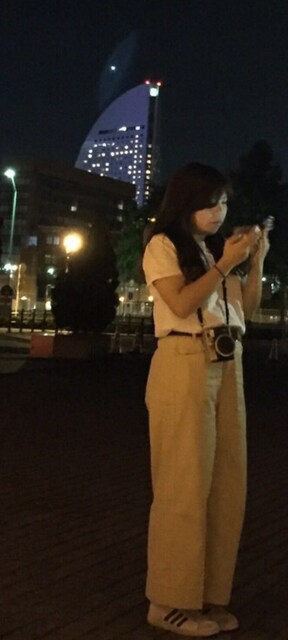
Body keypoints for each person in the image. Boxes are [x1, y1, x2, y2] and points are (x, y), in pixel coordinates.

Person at [142, 162, 270, 637]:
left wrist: (254, 262)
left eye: (224, 203)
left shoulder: (212, 251)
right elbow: (179, 303)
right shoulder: (163, 245)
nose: (220, 212)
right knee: (184, 484)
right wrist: (224, 264)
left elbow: (245, 311)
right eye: (210, 203)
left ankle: (206, 595)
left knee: (225, 485)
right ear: (186, 204)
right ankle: (167, 602)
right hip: (183, 362)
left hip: (226, 364)